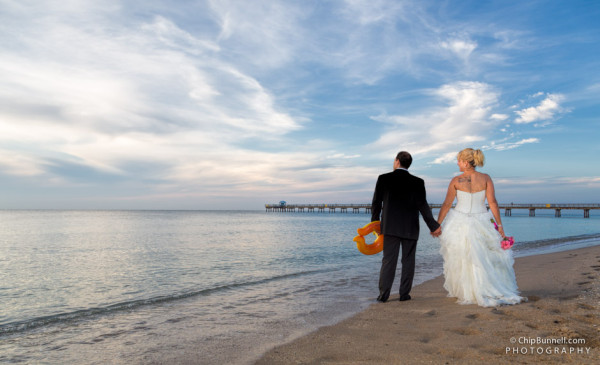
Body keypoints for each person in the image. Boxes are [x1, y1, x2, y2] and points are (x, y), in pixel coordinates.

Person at [437, 148, 526, 307]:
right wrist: (499, 226)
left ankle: (467, 291)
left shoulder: (456, 181)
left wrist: (437, 224)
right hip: (482, 220)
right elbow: (492, 203)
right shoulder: (485, 178)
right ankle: (485, 288)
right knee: (484, 257)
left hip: (459, 221)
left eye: (459, 160)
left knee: (463, 258)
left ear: (465, 162)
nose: (457, 163)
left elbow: (447, 204)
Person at [371, 151, 441, 303]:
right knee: (408, 261)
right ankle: (404, 295)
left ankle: (383, 295)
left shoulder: (384, 178)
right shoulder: (418, 182)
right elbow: (423, 205)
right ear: (409, 164)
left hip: (389, 226)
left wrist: (374, 223)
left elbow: (376, 202)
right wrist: (433, 226)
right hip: (410, 227)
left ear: (396, 161)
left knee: (388, 260)